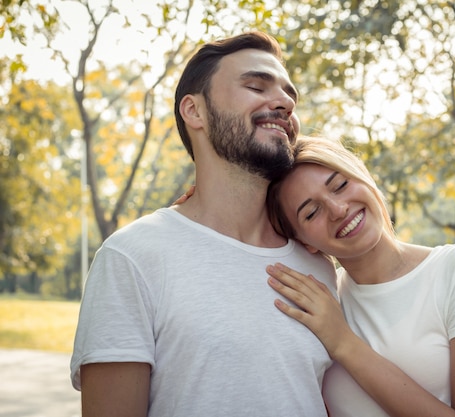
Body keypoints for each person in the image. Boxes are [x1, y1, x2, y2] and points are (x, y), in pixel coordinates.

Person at [70, 32, 337, 417]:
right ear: (194, 111)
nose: (285, 103)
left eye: (289, 96)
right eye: (256, 85)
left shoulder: (319, 266)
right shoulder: (132, 257)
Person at [264, 136, 455, 417]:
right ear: (304, 242)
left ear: (363, 177)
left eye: (340, 185)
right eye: (312, 212)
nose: (339, 210)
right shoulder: (321, 304)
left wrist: (343, 343)